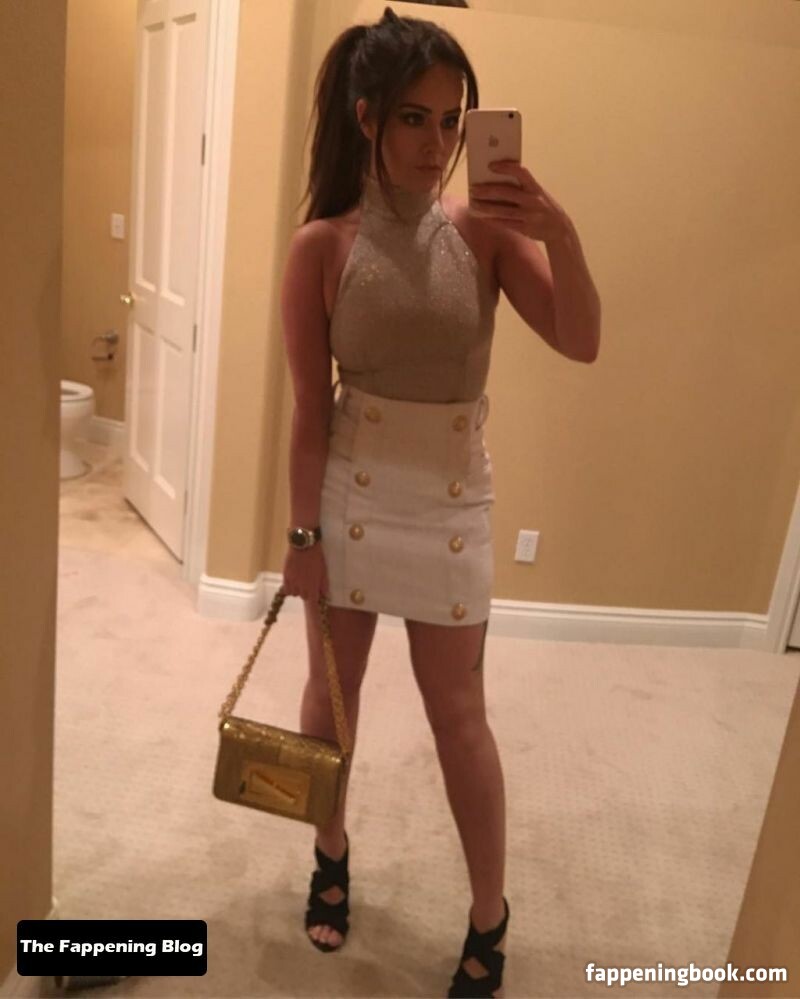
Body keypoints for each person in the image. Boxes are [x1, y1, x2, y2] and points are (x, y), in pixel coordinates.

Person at [280, 6, 597, 996]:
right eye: (414, 118)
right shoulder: (320, 247)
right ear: (367, 117)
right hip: (351, 493)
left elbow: (581, 339)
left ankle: (488, 912)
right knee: (331, 697)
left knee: (459, 716)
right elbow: (309, 413)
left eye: (452, 120)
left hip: (452, 504)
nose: (437, 142)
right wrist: (301, 537)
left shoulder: (486, 234)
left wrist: (559, 232)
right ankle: (329, 852)